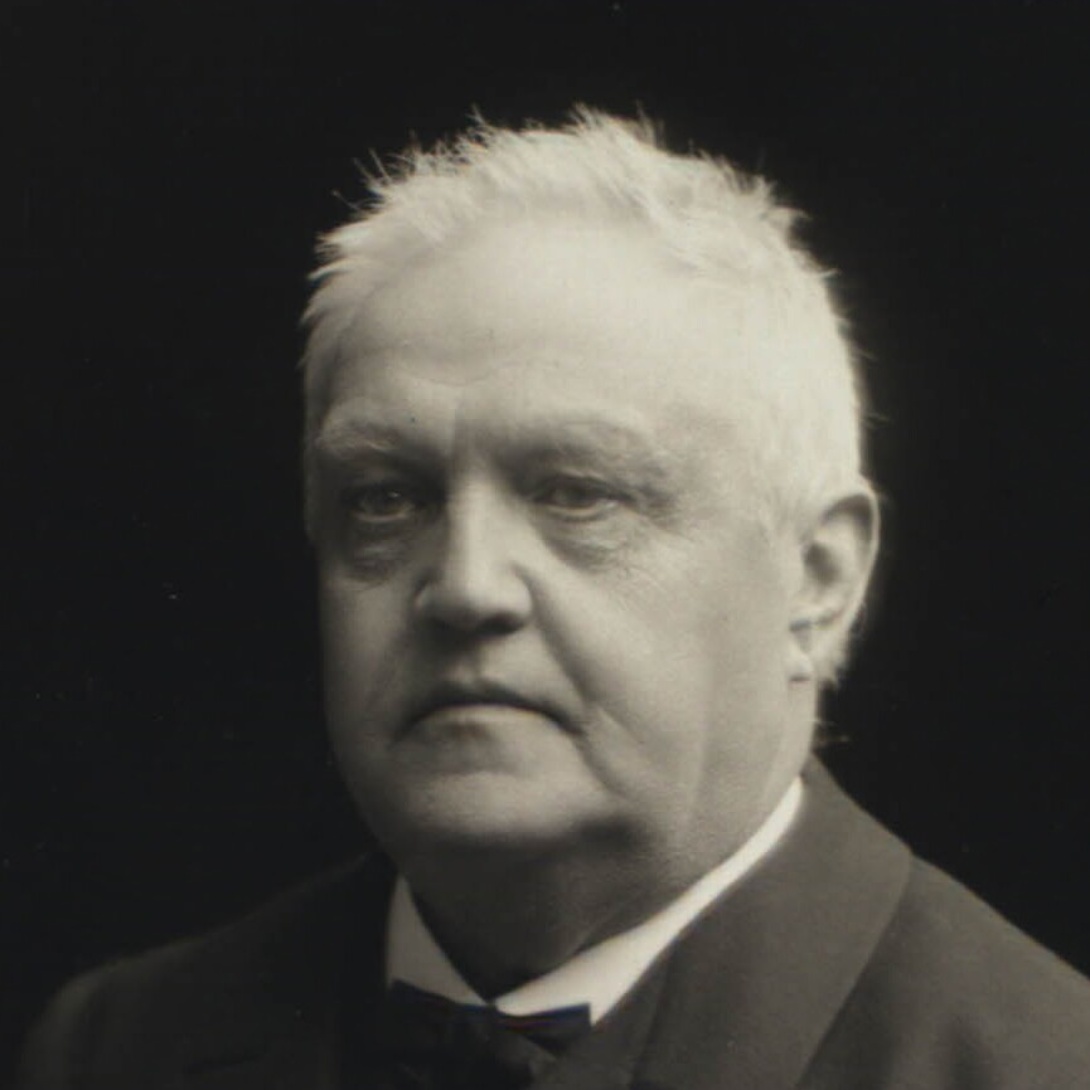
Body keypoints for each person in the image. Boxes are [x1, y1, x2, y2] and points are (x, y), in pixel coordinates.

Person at [17, 109, 1090, 1089]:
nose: (465, 587)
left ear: (817, 579)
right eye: (386, 499)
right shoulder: (110, 1050)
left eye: (578, 494)